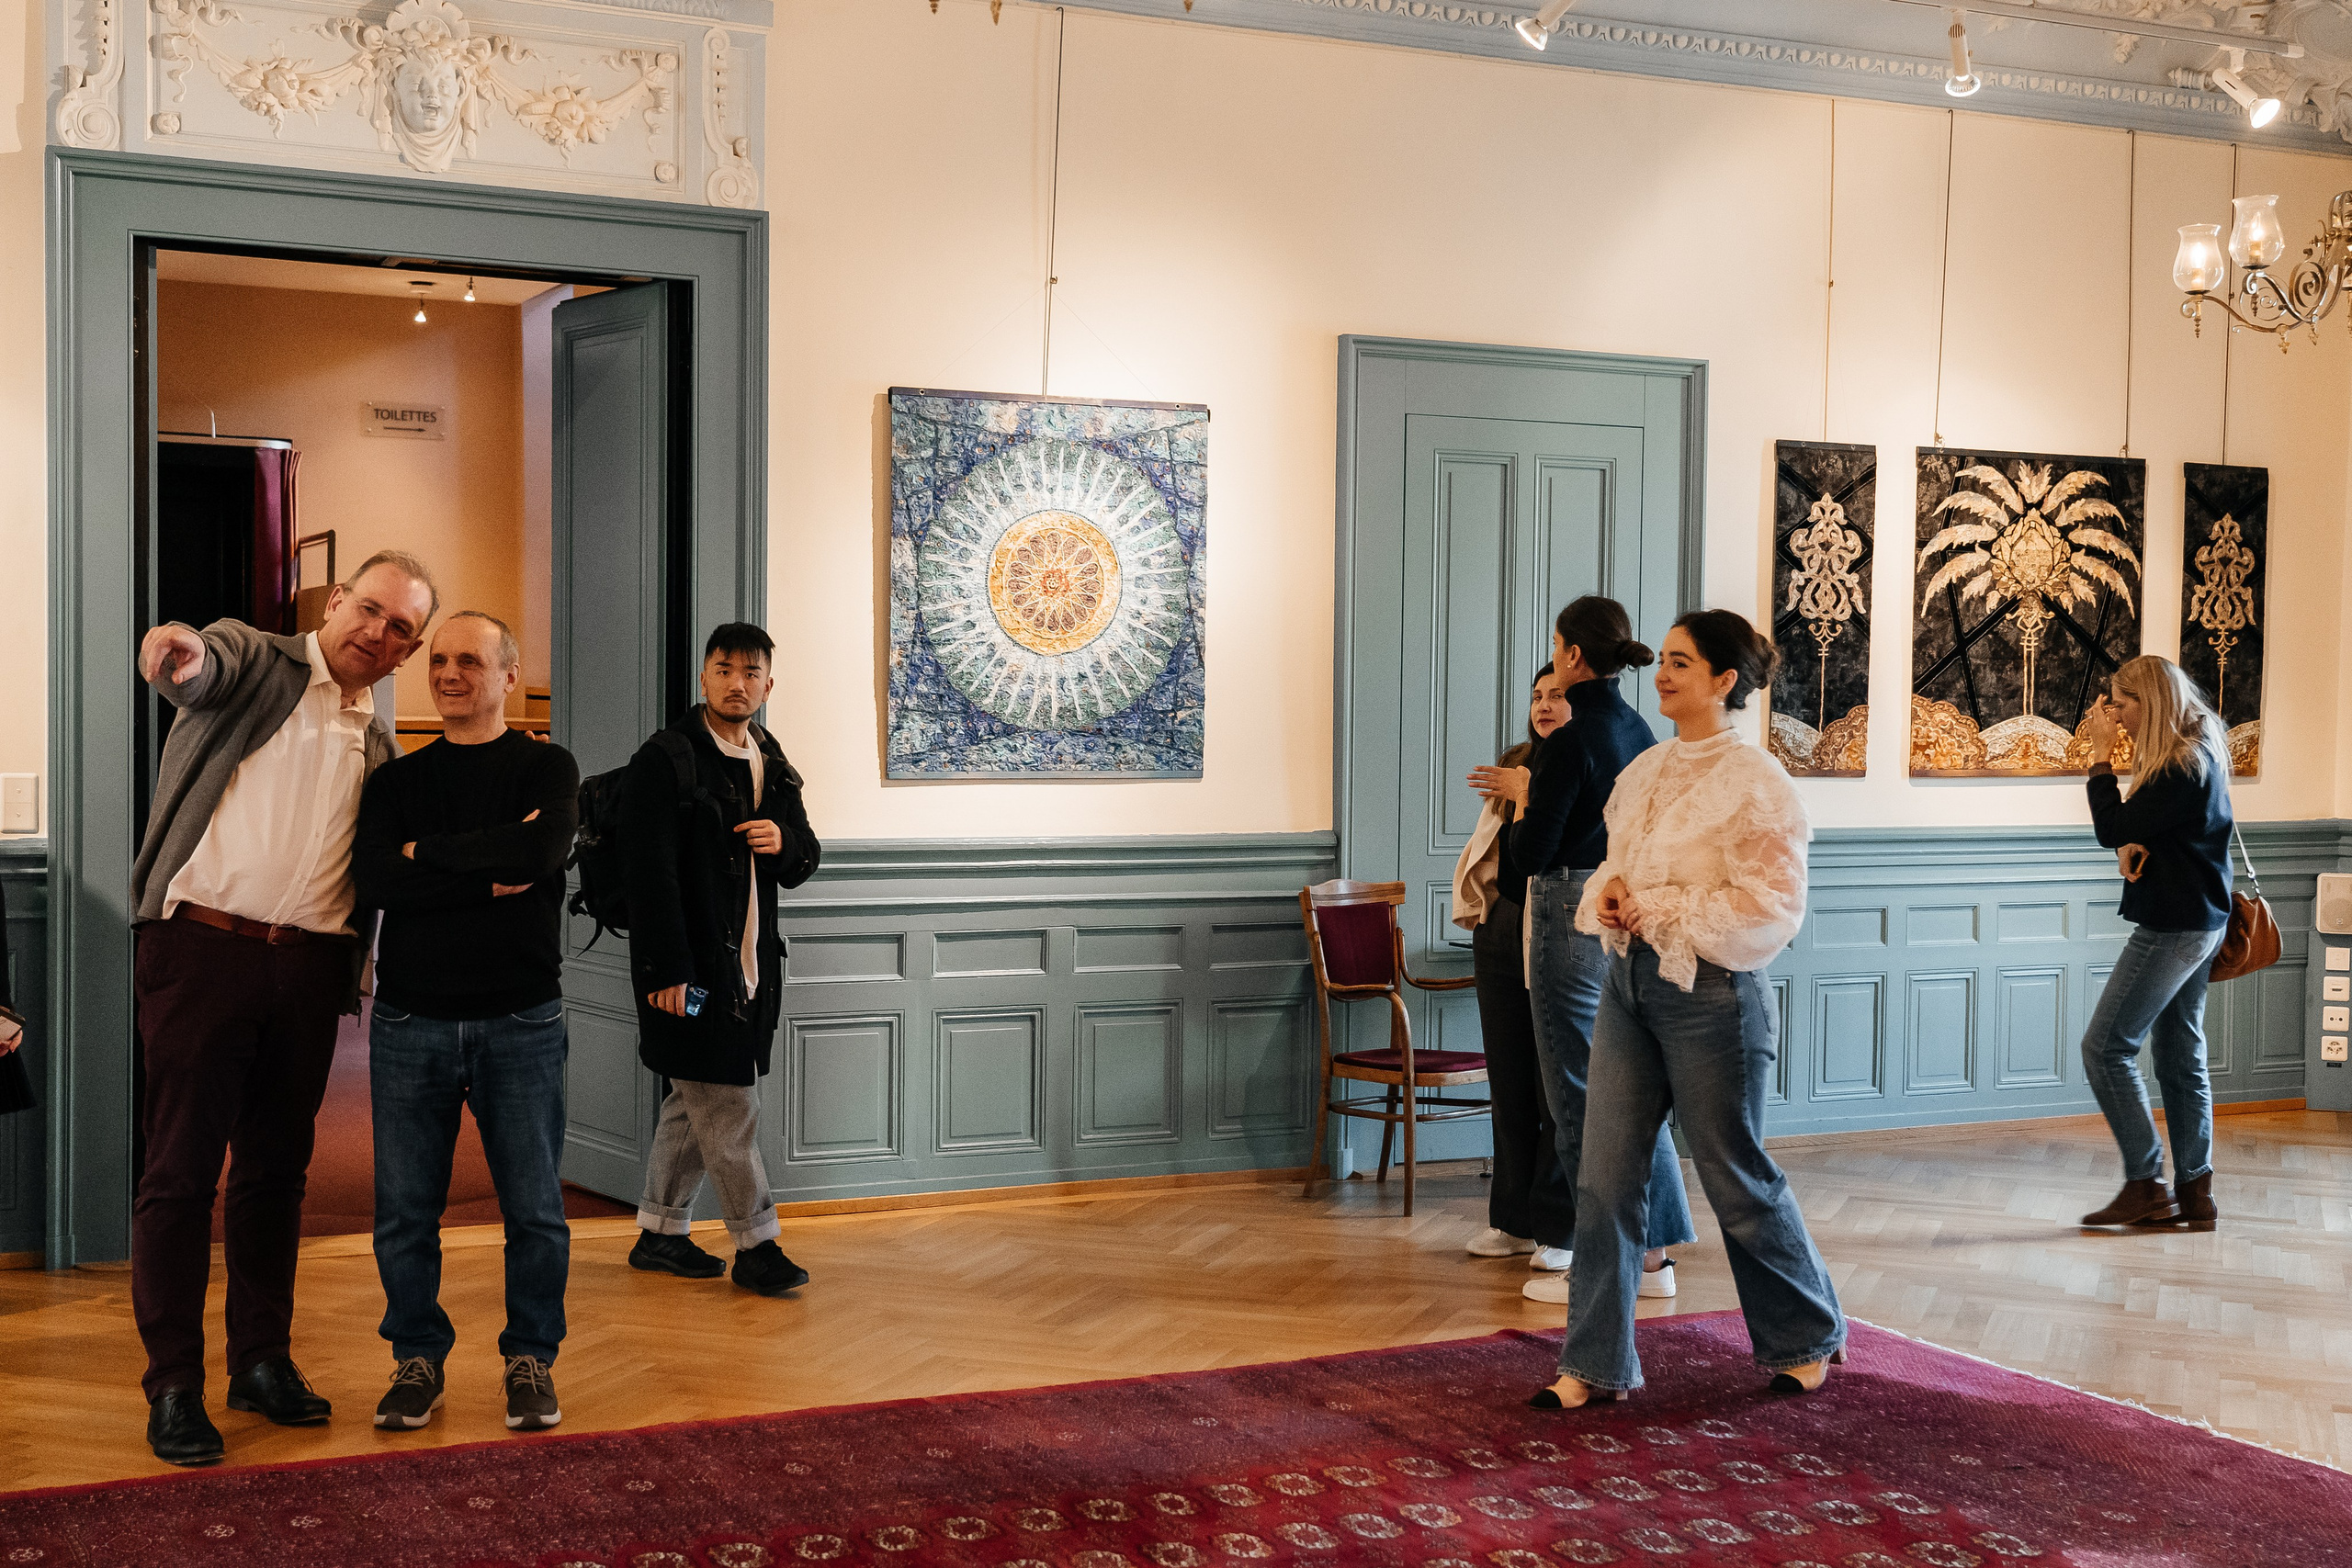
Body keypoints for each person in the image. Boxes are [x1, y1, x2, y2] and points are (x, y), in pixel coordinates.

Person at [130, 551, 437, 1465]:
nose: (378, 632)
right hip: (203, 952)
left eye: (401, 629)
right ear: (335, 601)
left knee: (275, 1175)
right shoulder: (258, 658)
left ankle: (261, 1359)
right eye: (369, 609)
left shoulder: (380, 746)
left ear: (407, 651)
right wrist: (177, 648)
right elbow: (201, 663)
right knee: (180, 1174)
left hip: (308, 971)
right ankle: (174, 1384)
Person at [1536, 609, 1845, 1410]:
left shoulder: (1759, 783)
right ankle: (1592, 1363)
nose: (1663, 674)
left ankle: (1807, 1335)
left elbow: (1772, 906)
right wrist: (1612, 893)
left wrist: (1665, 909)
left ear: (1723, 680)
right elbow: (1616, 864)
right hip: (1628, 986)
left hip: (1713, 998)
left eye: (1681, 662)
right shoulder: (1645, 769)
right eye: (1664, 660)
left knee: (1734, 1175)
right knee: (1604, 1178)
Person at [351, 612, 582, 1433]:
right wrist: (484, 868)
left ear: (509, 675)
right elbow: (377, 879)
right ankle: (416, 1358)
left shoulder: (548, 766)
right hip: (411, 1018)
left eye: (470, 661)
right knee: (405, 1212)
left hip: (521, 1017)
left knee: (535, 1210)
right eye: (439, 660)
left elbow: (540, 856)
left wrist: (428, 853)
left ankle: (531, 1359)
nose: (449, 674)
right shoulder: (396, 782)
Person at [1499, 596, 1694, 1308]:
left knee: (1577, 1097)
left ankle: (1603, 1269)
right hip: (1625, 910)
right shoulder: (1640, 729)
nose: (1554, 657)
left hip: (1570, 909)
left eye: (1557, 646)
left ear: (1574, 656)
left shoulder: (1570, 739)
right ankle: (1652, 1258)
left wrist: (1524, 800)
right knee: (1633, 1094)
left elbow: (1528, 858)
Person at [624, 624, 821, 1295]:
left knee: (694, 1099)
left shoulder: (770, 756)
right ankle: (757, 1246)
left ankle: (660, 1232)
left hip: (752, 970)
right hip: (691, 973)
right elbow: (648, 875)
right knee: (729, 1101)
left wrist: (783, 839)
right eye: (724, 669)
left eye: (751, 672)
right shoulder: (666, 758)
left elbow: (806, 854)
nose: (738, 683)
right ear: (704, 676)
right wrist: (668, 972)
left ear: (769, 684)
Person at [2075, 655, 2235, 1234]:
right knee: (2178, 1056)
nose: (2115, 715)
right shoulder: (2200, 749)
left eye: (2121, 704)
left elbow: (2111, 827)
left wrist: (2099, 757)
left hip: (2174, 927)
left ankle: (2146, 1185)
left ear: (2151, 702)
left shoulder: (2181, 765)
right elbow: (2151, 830)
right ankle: (2194, 1193)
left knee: (2105, 1048)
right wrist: (2134, 842)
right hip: (2201, 920)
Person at [1453, 665, 1576, 1264]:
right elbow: (1496, 854)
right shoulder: (1517, 759)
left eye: (1557, 695)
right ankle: (1512, 1220)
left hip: (1555, 928)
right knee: (1508, 1082)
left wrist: (1530, 793)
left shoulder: (1585, 765)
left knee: (1554, 1089)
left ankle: (1557, 1229)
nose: (1543, 705)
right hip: (1499, 927)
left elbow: (1547, 856)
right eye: (1537, 696)